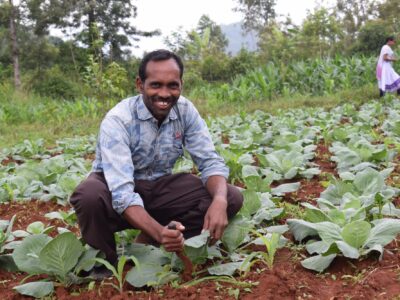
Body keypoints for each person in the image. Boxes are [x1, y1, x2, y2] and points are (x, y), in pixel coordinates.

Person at [70, 49, 243, 277]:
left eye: (172, 85)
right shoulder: (118, 120)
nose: (164, 94)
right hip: (115, 191)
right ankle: (105, 264)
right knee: (89, 195)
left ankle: (156, 241)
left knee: (231, 196)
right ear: (140, 84)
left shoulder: (185, 111)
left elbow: (210, 161)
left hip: (159, 187)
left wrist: (219, 200)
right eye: (155, 85)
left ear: (181, 84)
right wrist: (160, 231)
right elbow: (122, 193)